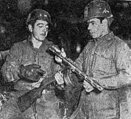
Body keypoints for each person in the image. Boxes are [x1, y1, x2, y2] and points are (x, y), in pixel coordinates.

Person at [55, 0, 131, 119]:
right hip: (84, 110)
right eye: (88, 24)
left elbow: (127, 76)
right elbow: (77, 70)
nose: (89, 27)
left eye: (93, 23)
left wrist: (98, 82)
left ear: (104, 22)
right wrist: (63, 71)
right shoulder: (89, 46)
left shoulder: (119, 46)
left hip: (107, 113)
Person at [0, 9, 63, 119]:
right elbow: (6, 73)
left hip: (46, 101)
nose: (44, 30)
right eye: (40, 26)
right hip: (20, 98)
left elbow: (61, 82)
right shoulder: (18, 48)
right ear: (30, 28)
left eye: (46, 27)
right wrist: (22, 71)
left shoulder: (53, 49)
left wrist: (61, 73)